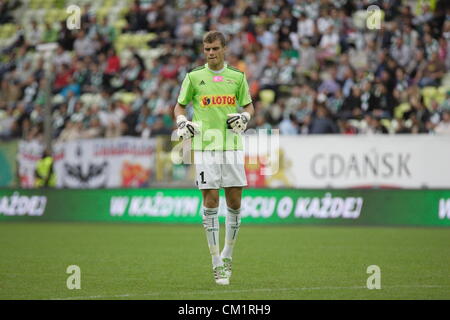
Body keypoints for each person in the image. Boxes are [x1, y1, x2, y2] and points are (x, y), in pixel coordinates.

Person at [173, 31, 255, 285]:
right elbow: (179, 105)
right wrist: (182, 121)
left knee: (234, 201)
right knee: (210, 201)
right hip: (206, 147)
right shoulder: (194, 77)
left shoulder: (237, 77)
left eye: (215, 48)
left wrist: (245, 118)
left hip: (231, 146)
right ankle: (216, 263)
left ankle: (227, 254)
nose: (210, 53)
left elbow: (249, 106)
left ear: (224, 49)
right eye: (207, 49)